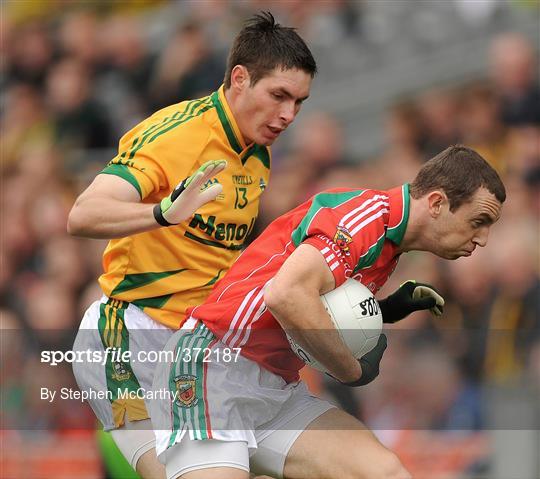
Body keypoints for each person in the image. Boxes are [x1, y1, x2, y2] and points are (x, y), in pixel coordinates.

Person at [150, 145, 506, 479]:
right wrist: (352, 371)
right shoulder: (365, 221)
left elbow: (318, 303)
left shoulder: (388, 242)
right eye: (479, 221)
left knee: (384, 472)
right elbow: (286, 295)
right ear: (437, 203)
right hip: (212, 369)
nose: (484, 239)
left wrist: (386, 310)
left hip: (275, 389)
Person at [68, 12, 316, 479]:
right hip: (127, 338)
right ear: (239, 79)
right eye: (279, 96)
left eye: (299, 102)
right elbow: (82, 214)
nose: (288, 115)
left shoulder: (257, 154)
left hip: (194, 348)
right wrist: (162, 213)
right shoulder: (177, 135)